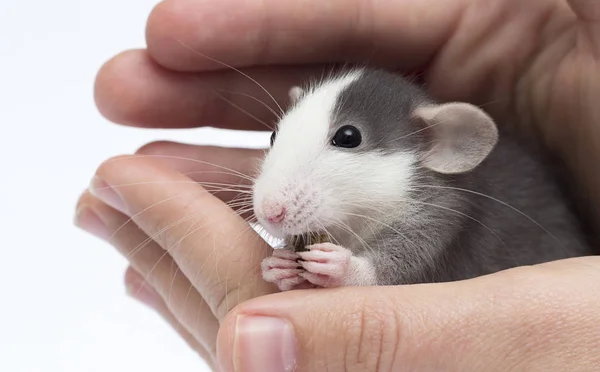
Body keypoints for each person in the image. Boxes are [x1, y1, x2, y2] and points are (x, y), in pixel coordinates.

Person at [74, 0, 600, 370]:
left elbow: (403, 266)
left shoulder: (441, 205)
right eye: (279, 135)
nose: (271, 202)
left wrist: (357, 272)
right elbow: (324, 251)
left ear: (434, 143)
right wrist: (297, 265)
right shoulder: (336, 209)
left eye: (345, 139)